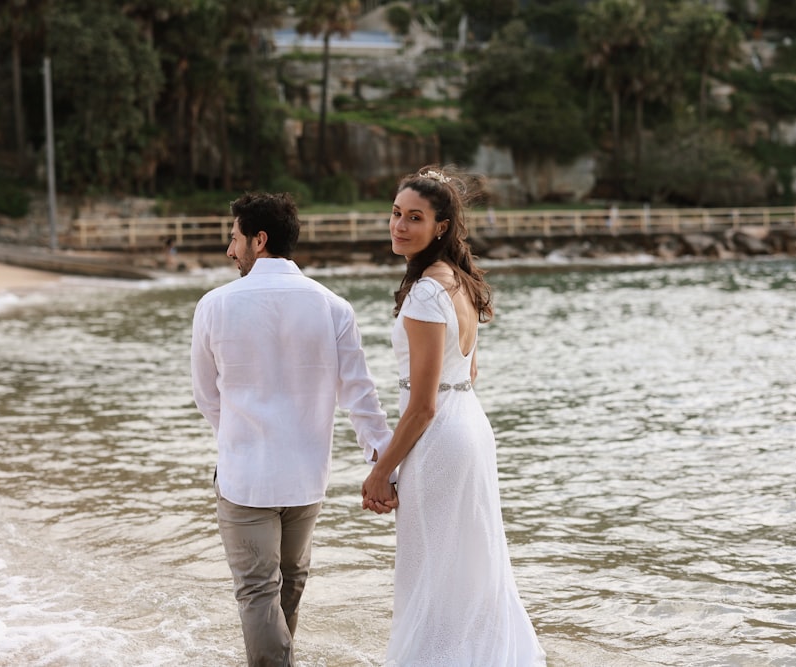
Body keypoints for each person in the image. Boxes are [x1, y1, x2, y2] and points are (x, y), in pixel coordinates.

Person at [191, 191, 395, 667]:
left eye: (234, 238)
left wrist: (244, 433)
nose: (229, 250)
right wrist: (383, 462)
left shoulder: (215, 305)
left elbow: (206, 395)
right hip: (306, 479)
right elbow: (360, 396)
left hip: (245, 478)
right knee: (290, 583)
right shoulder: (333, 307)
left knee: (260, 590)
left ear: (259, 241)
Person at [361, 166, 546, 666]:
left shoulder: (425, 292)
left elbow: (423, 405)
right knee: (468, 564)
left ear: (440, 227)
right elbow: (470, 371)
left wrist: (381, 472)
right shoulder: (458, 281)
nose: (399, 226)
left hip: (441, 436)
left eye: (414, 218)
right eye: (396, 214)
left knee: (434, 570)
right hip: (469, 427)